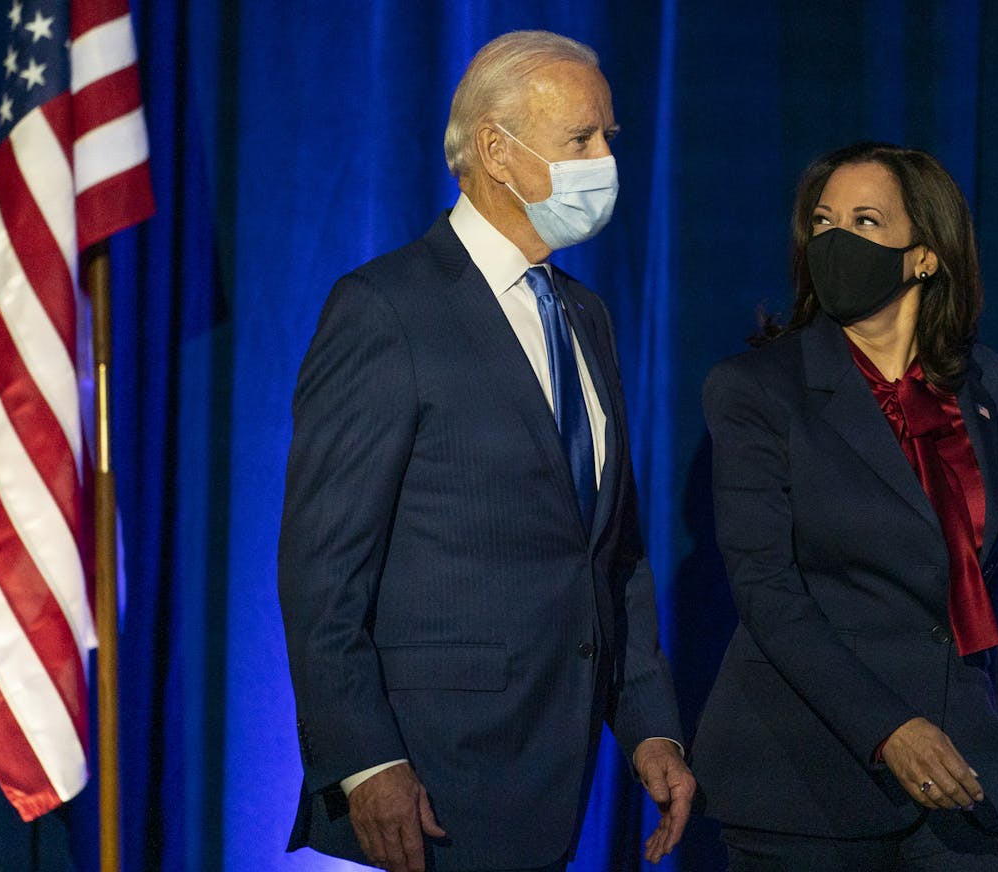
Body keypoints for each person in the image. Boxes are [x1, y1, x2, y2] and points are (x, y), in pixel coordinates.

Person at [277, 30, 694, 872]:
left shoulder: (587, 316)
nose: (605, 158)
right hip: (434, 783)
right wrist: (366, 762)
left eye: (608, 137)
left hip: (559, 767)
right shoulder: (384, 310)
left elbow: (612, 553)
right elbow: (322, 572)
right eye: (581, 139)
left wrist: (648, 721)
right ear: (498, 154)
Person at [691, 142, 998, 870]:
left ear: (925, 255)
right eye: (823, 223)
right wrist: (888, 728)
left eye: (866, 221)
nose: (836, 241)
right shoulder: (756, 389)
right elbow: (767, 592)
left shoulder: (984, 385)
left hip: (963, 765)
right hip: (808, 776)